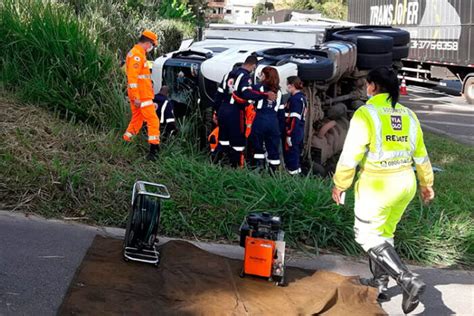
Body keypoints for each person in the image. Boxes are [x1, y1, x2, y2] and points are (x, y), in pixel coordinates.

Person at [332, 67, 435, 314]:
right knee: (384, 233)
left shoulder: (366, 114)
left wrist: (340, 183)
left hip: (377, 186)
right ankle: (379, 283)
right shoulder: (409, 114)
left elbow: (350, 155)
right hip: (405, 184)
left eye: (368, 85)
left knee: (366, 236)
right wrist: (426, 183)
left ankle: (407, 279)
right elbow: (420, 153)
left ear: (373, 86)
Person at [213, 56, 276, 168]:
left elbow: (218, 94)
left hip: (223, 109)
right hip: (235, 112)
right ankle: (235, 168)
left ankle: (217, 164)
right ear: (253, 66)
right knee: (237, 142)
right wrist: (264, 95)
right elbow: (246, 93)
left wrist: (215, 112)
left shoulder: (228, 74)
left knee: (223, 139)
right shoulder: (245, 77)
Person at [122, 30, 161, 161]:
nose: (152, 48)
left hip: (140, 95)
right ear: (148, 43)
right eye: (152, 45)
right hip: (142, 96)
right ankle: (154, 151)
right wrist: (137, 97)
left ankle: (126, 141)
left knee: (137, 120)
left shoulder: (138, 54)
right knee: (153, 121)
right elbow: (132, 79)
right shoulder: (137, 55)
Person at [249, 67, 282, 170]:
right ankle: (273, 174)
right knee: (273, 149)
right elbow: (281, 111)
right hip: (274, 121)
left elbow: (248, 99)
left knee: (258, 146)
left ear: (265, 76)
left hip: (260, 119)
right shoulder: (279, 91)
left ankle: (258, 169)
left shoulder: (257, 88)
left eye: (262, 75)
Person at [284, 76, 307, 175]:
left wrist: (289, 134)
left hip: (294, 131)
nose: (286, 86)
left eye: (287, 84)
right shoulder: (302, 98)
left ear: (292, 85)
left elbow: (294, 119)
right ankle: (297, 173)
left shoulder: (295, 100)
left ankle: (293, 177)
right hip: (300, 130)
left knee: (292, 154)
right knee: (296, 153)